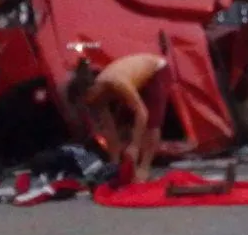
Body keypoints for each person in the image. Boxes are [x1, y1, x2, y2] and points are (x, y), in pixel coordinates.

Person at [65, 52, 172, 183]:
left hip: (157, 70)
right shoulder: (96, 99)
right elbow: (110, 131)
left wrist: (134, 146)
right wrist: (114, 166)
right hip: (135, 79)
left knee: (152, 123)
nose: (88, 105)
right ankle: (119, 166)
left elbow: (142, 113)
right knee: (125, 124)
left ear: (91, 90)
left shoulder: (117, 82)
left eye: (87, 101)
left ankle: (144, 168)